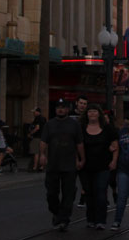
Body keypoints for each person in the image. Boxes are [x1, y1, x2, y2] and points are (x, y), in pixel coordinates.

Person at [40, 98, 85, 232]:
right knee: (51, 194)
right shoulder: (49, 124)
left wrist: (82, 159)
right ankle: (56, 212)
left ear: (67, 109)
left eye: (63, 107)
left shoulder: (74, 124)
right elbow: (43, 141)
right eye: (58, 107)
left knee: (68, 194)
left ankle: (63, 219)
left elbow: (79, 143)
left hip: (69, 165)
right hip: (53, 165)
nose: (60, 109)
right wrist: (42, 154)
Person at [80, 104, 117, 229]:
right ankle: (91, 219)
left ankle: (100, 220)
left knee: (101, 193)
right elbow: (76, 145)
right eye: (89, 112)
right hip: (86, 167)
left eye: (94, 111)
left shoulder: (107, 128)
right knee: (89, 194)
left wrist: (114, 161)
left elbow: (115, 145)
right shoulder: (81, 128)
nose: (92, 114)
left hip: (103, 166)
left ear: (99, 114)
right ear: (86, 114)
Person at [28, 107, 47, 172]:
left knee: (36, 153)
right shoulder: (44, 118)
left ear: (37, 112)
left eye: (34, 112)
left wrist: (30, 133)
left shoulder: (37, 118)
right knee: (42, 152)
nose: (33, 113)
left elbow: (37, 128)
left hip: (37, 138)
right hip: (43, 138)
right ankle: (42, 167)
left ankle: (35, 167)